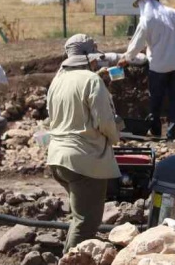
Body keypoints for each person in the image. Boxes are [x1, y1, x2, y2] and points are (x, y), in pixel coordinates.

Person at [47, 46, 121, 253]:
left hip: (57, 157)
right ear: (88, 59)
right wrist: (115, 135)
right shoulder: (91, 80)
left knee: (79, 216)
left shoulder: (58, 80)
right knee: (87, 220)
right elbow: (104, 121)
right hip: (84, 160)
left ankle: (69, 261)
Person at [118, 0, 175, 140]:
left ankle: (156, 131)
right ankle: (172, 133)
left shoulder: (147, 19)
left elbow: (137, 43)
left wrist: (126, 58)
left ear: (142, 4)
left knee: (156, 99)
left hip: (159, 66)